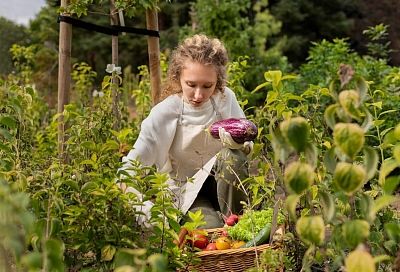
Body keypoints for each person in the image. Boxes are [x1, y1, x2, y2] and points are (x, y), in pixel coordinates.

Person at [118, 34, 253, 228]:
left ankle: (241, 225)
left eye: (208, 86)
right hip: (186, 192)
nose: (199, 95)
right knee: (209, 230)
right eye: (191, 85)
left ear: (218, 81)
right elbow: (126, 173)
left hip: (224, 186)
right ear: (178, 77)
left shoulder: (225, 99)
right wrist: (147, 212)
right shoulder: (164, 114)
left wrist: (242, 144)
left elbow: (248, 144)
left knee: (234, 157)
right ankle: (217, 225)